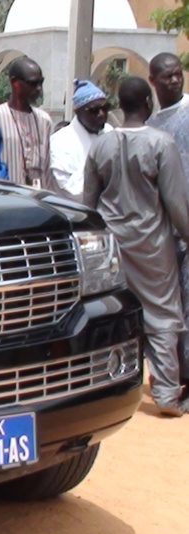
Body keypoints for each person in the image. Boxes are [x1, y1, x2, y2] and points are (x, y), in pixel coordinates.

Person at [83, 77, 189, 416]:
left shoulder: (100, 146)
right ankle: (168, 393)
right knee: (162, 314)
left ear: (119, 104)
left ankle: (104, 385)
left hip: (112, 245)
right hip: (153, 244)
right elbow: (175, 203)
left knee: (112, 312)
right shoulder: (162, 143)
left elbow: (89, 202)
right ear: (148, 102)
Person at [148, 52, 189, 399]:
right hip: (164, 231)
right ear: (153, 81)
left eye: (178, 74)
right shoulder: (151, 125)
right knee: (171, 308)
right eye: (167, 77)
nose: (174, 80)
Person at [0, 57, 54, 189]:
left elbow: (48, 167)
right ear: (15, 82)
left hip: (37, 199)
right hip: (7, 196)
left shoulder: (44, 120)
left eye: (41, 83)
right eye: (33, 83)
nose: (38, 88)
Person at [49, 80, 113, 201]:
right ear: (77, 111)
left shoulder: (110, 132)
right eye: (94, 110)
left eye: (105, 108)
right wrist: (95, 160)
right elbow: (70, 190)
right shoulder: (60, 141)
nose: (101, 114)